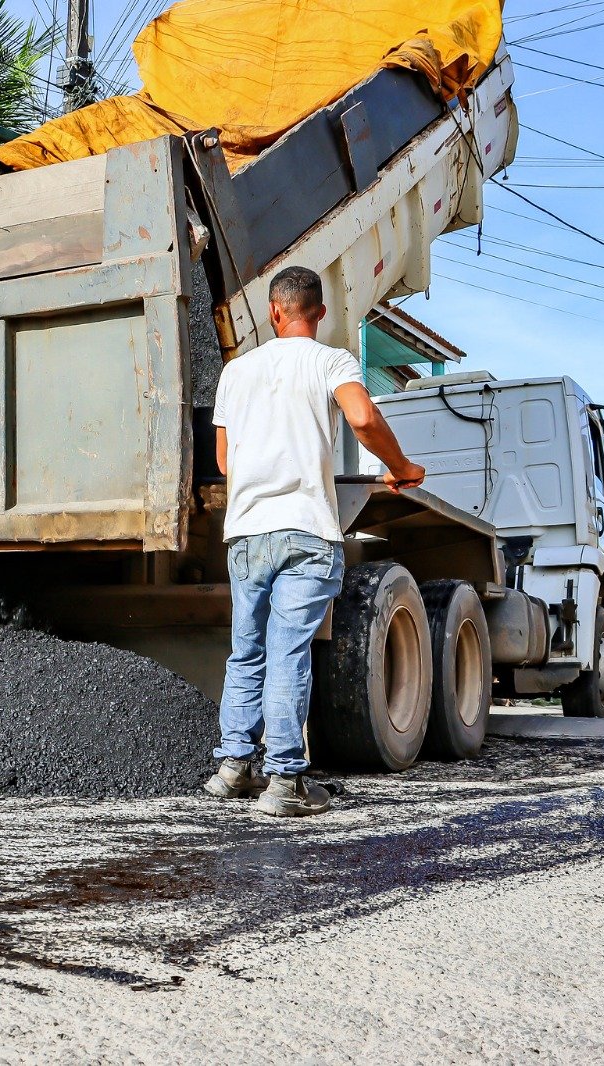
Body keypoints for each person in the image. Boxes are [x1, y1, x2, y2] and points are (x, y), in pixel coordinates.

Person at [205, 266, 426, 816]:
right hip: (305, 527)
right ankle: (285, 782)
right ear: (320, 313)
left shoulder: (236, 371)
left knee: (246, 650)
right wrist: (400, 466)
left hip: (247, 533)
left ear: (274, 313)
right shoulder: (331, 360)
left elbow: (224, 460)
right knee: (287, 652)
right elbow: (361, 416)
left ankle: (234, 767)